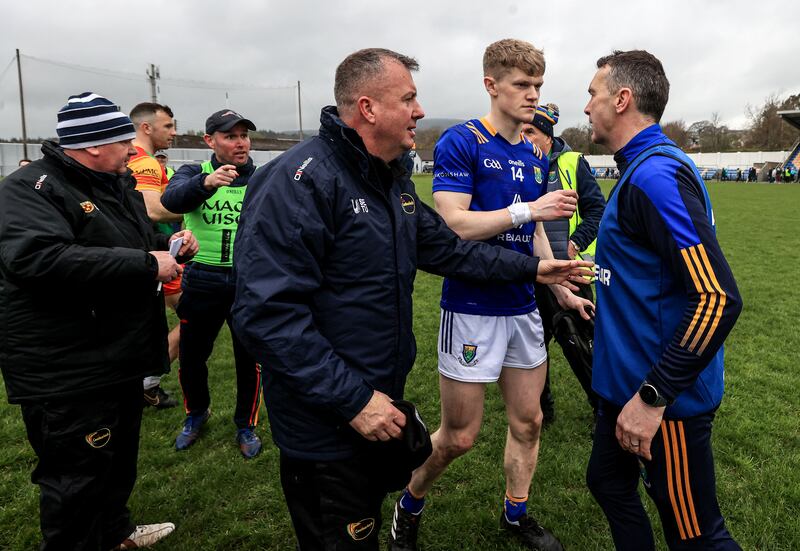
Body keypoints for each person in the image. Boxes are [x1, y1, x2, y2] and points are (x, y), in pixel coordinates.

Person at [231, 48, 592, 551]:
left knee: (363, 525)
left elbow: (447, 250)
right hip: (330, 418)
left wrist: (535, 269)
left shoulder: (390, 178)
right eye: (409, 98)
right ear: (368, 108)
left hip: (375, 400)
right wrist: (353, 399)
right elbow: (265, 315)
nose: (421, 110)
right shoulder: (301, 180)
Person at [390, 39, 591, 551]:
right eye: (522, 85)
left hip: (523, 306)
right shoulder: (461, 142)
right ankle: (409, 503)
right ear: (491, 85)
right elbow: (455, 225)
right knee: (459, 436)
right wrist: (529, 211)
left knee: (530, 421)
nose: (533, 96)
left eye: (538, 85)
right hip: (472, 308)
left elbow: (538, 230)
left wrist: (560, 284)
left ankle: (516, 513)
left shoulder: (532, 151)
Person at [0, 92, 198, 550]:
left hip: (117, 356)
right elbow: (38, 259)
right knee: (75, 482)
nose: (133, 149)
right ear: (92, 146)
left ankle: (115, 534)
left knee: (116, 461)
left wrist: (170, 244)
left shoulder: (112, 183)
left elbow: (138, 238)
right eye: (123, 140)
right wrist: (149, 264)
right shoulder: (30, 188)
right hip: (68, 368)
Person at [583, 50, 743, 550]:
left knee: (697, 537)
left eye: (593, 94)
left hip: (660, 400)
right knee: (607, 482)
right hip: (622, 389)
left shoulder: (654, 176)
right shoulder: (638, 169)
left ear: (623, 99)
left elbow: (717, 296)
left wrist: (654, 397)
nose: (586, 107)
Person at [161, 109, 263, 459]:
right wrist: (206, 184)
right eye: (230, 136)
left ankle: (245, 424)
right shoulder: (193, 172)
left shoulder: (261, 178)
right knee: (192, 358)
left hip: (246, 282)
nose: (240, 143)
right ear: (210, 141)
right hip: (202, 278)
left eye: (244, 135)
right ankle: (196, 414)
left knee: (249, 358)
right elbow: (170, 201)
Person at [522, 103, 606, 424]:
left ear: (547, 136)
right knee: (533, 346)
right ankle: (542, 409)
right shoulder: (520, 164)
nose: (524, 137)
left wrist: (575, 243)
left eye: (531, 131)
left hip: (573, 273)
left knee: (581, 342)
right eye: (522, 130)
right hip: (534, 272)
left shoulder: (572, 163)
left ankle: (601, 408)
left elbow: (597, 210)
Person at [128, 102, 183, 409]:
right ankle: (146, 383)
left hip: (144, 251)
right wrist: (201, 202)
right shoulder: (145, 162)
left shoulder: (134, 157)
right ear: (146, 127)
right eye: (168, 126)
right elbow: (153, 209)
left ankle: (141, 382)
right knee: (196, 316)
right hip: (155, 253)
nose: (174, 133)